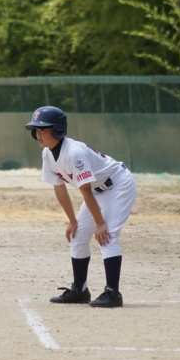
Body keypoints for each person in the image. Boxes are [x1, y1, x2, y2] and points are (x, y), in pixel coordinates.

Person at [25, 106, 137, 308]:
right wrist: (72, 221)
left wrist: (100, 223)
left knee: (107, 235)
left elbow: (85, 191)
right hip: (96, 190)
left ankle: (113, 293)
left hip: (118, 184)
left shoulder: (74, 153)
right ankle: (80, 290)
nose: (38, 134)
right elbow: (60, 189)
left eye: (43, 130)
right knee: (77, 236)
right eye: (36, 130)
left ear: (58, 130)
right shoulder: (48, 154)